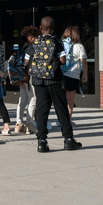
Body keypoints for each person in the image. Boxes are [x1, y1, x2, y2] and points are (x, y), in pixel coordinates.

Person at [28, 16, 81, 153]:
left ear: (40, 28)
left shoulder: (34, 42)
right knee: (61, 109)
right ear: (53, 28)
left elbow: (27, 60)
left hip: (38, 80)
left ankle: (42, 142)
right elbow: (62, 60)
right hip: (54, 79)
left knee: (41, 110)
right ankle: (68, 140)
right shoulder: (57, 41)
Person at [11, 27, 39, 134]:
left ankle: (19, 123)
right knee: (32, 99)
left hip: (21, 75)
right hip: (29, 76)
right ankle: (29, 124)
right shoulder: (31, 48)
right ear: (31, 38)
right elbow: (27, 63)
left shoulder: (21, 47)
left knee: (22, 99)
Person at [61, 25, 88, 121]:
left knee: (62, 98)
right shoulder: (80, 46)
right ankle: (68, 118)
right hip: (73, 75)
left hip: (62, 74)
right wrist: (85, 74)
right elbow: (83, 62)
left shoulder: (62, 45)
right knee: (71, 99)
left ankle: (62, 119)